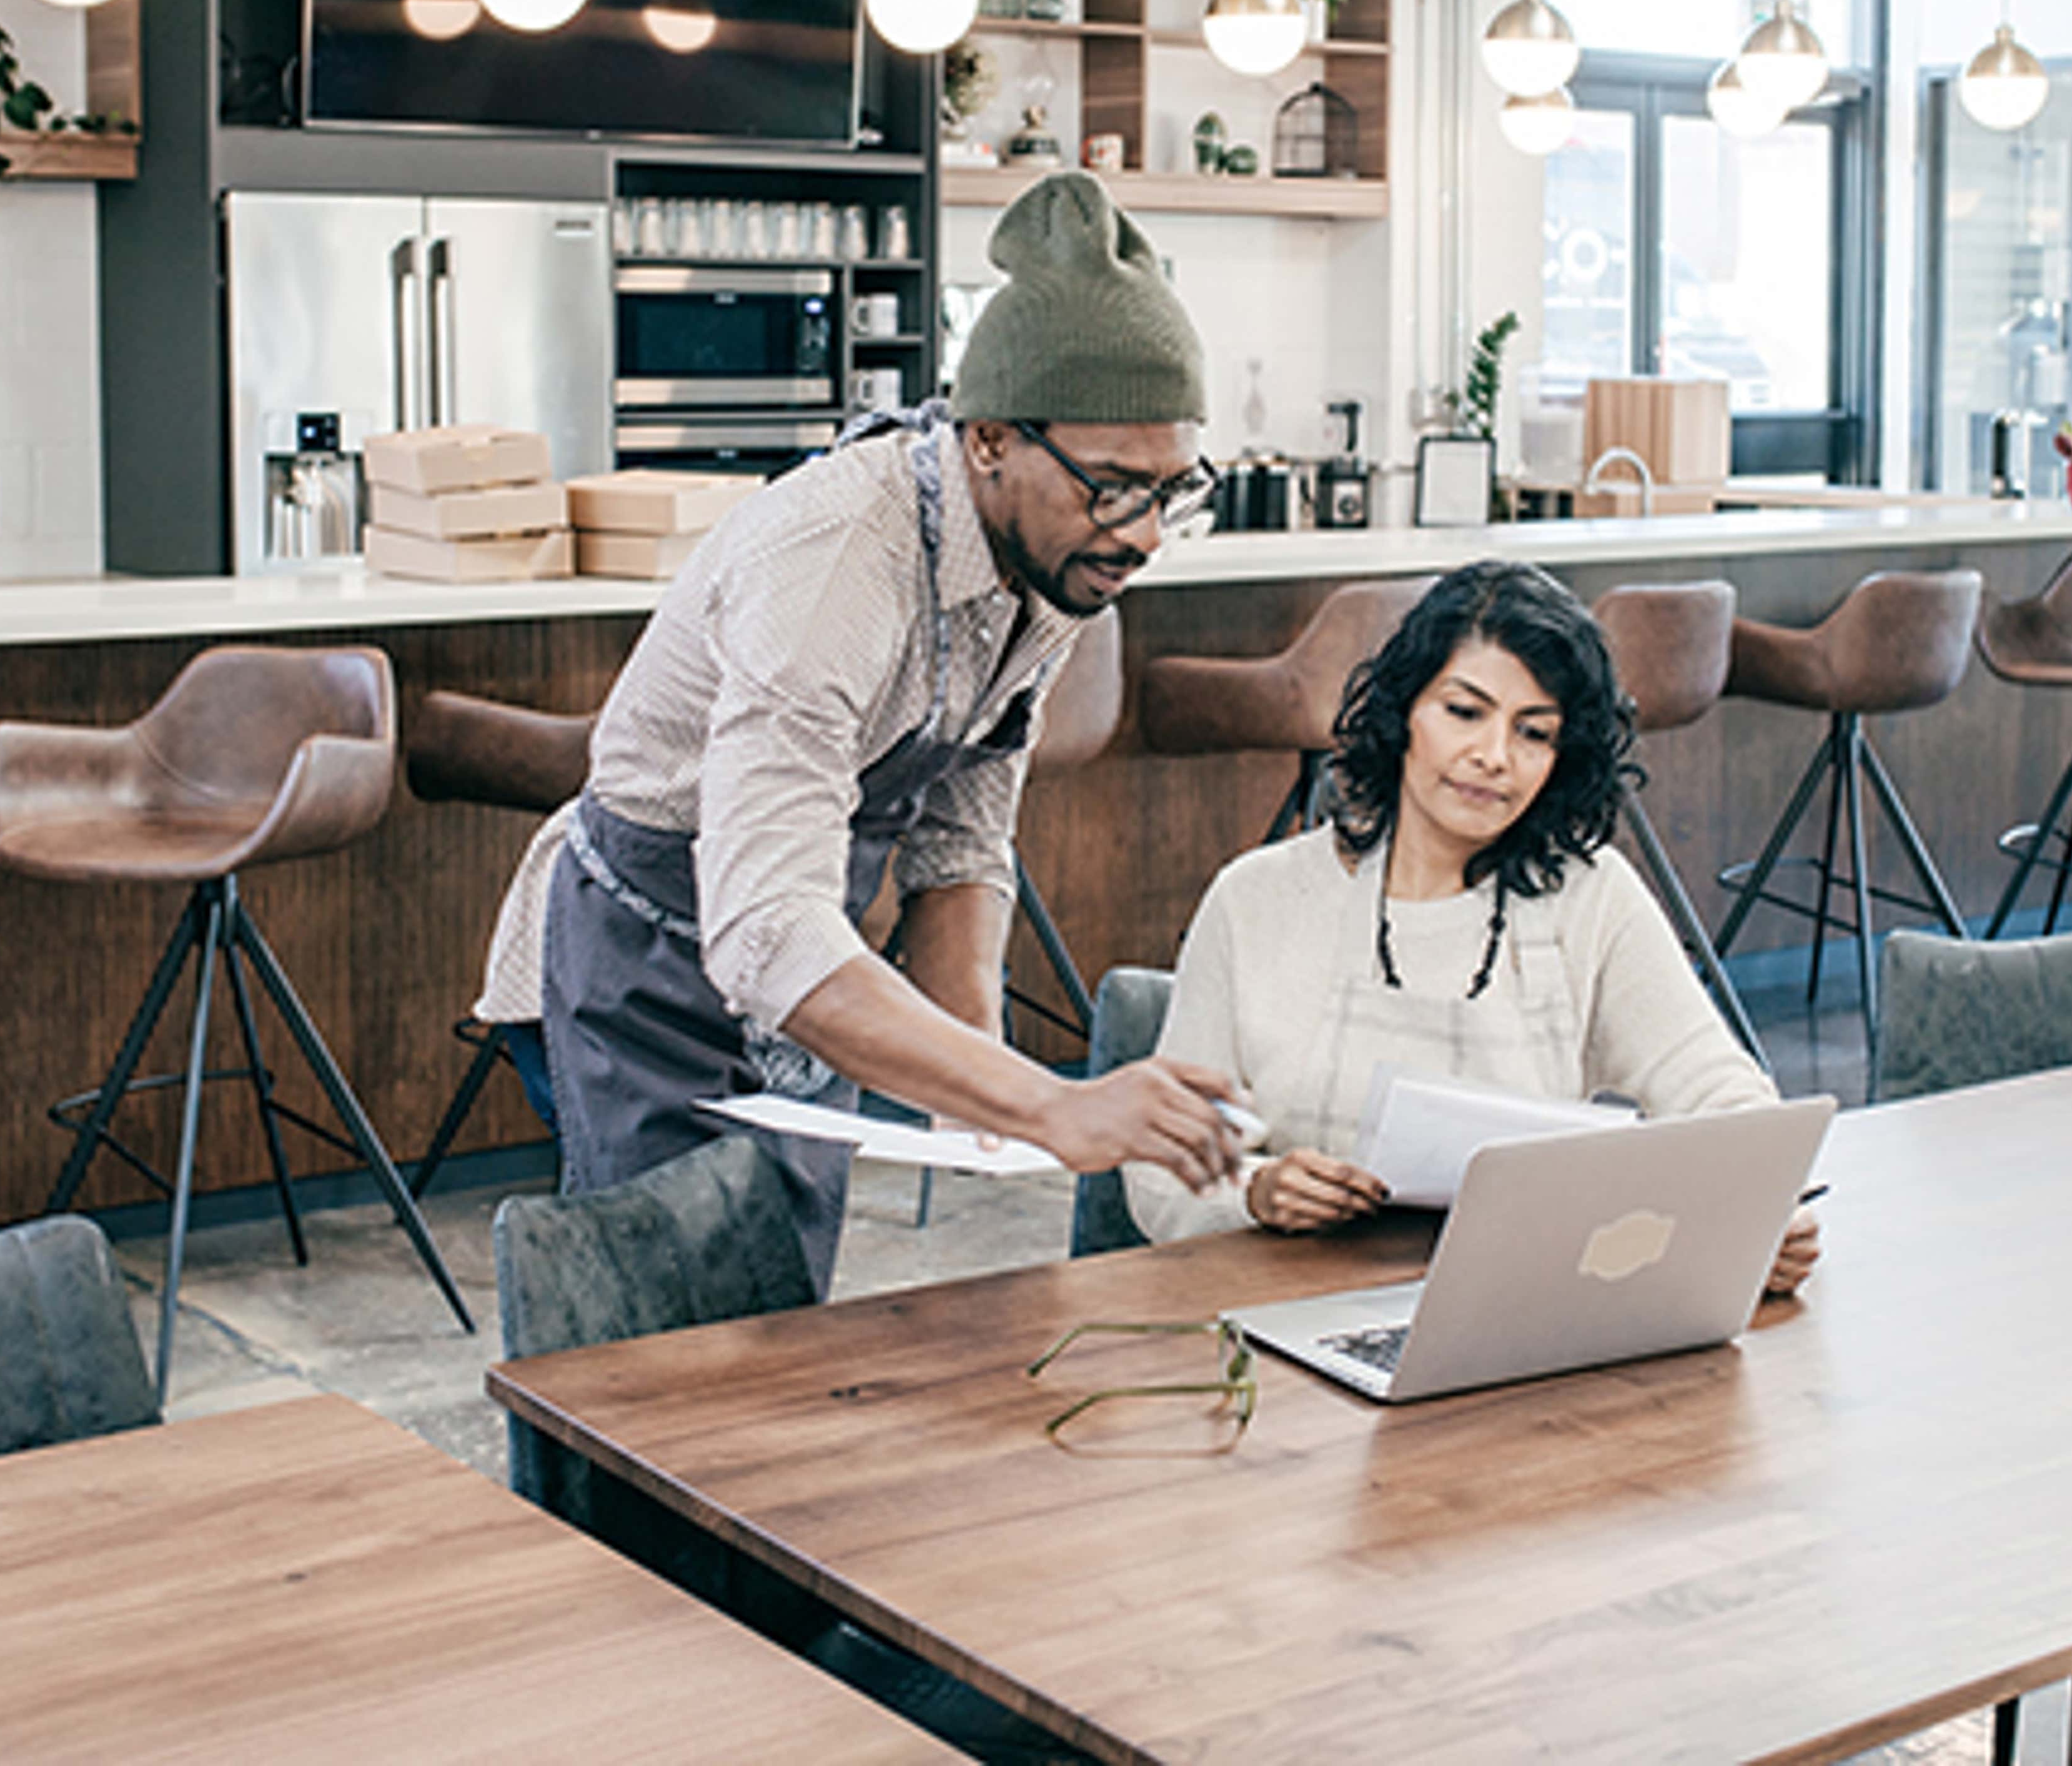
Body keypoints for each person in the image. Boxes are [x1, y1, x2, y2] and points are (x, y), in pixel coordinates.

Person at [477, 170, 1244, 1295]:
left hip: (803, 965)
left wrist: (973, 1072)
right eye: (1115, 487)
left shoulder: (1059, 558)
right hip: (649, 961)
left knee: (784, 1303)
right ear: (989, 440)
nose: (1143, 536)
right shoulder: (837, 561)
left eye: (1172, 490)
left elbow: (961, 840)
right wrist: (1047, 1102)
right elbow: (764, 930)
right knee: (667, 1333)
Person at [1124, 561, 1821, 1297]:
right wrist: (1258, 1190)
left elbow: (1717, 1090)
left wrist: (1757, 1210)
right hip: (1286, 1314)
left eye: (1534, 732)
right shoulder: (1257, 900)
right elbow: (1160, 1171)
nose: (1494, 756)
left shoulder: (1591, 898)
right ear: (1404, 716)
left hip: (1524, 1305)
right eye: (1464, 712)